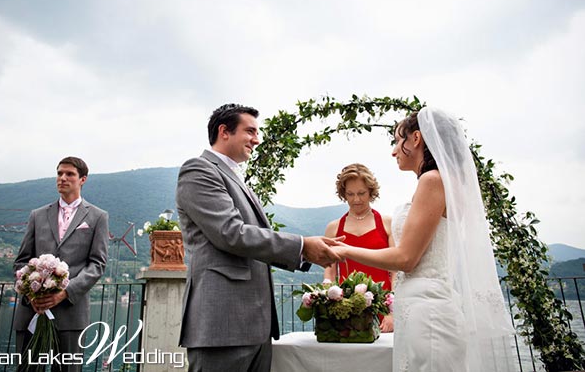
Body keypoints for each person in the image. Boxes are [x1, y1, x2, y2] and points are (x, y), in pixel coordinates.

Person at [331, 108, 515, 372]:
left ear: (415, 139)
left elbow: (406, 259)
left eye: (398, 140)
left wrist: (345, 250)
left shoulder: (432, 181)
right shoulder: (442, 182)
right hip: (422, 307)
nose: (394, 150)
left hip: (428, 313)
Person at [176, 104, 342, 372]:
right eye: (250, 131)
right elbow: (232, 233)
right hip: (223, 327)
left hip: (253, 327)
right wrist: (302, 246)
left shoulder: (234, 176)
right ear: (224, 131)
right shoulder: (199, 170)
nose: (257, 139)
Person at [13, 156, 109, 372]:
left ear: (82, 179)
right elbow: (21, 261)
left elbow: (97, 264)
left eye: (69, 174)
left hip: (71, 314)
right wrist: (31, 295)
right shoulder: (37, 215)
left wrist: (65, 293)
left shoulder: (97, 217)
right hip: (32, 312)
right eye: (59, 173)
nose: (62, 178)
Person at [323, 163, 395, 332]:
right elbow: (330, 272)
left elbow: (396, 272)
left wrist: (393, 312)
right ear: (343, 194)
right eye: (350, 194)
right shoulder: (333, 228)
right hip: (346, 309)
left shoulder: (387, 223)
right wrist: (329, 306)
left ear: (371, 192)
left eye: (361, 193)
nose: (356, 199)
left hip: (383, 309)